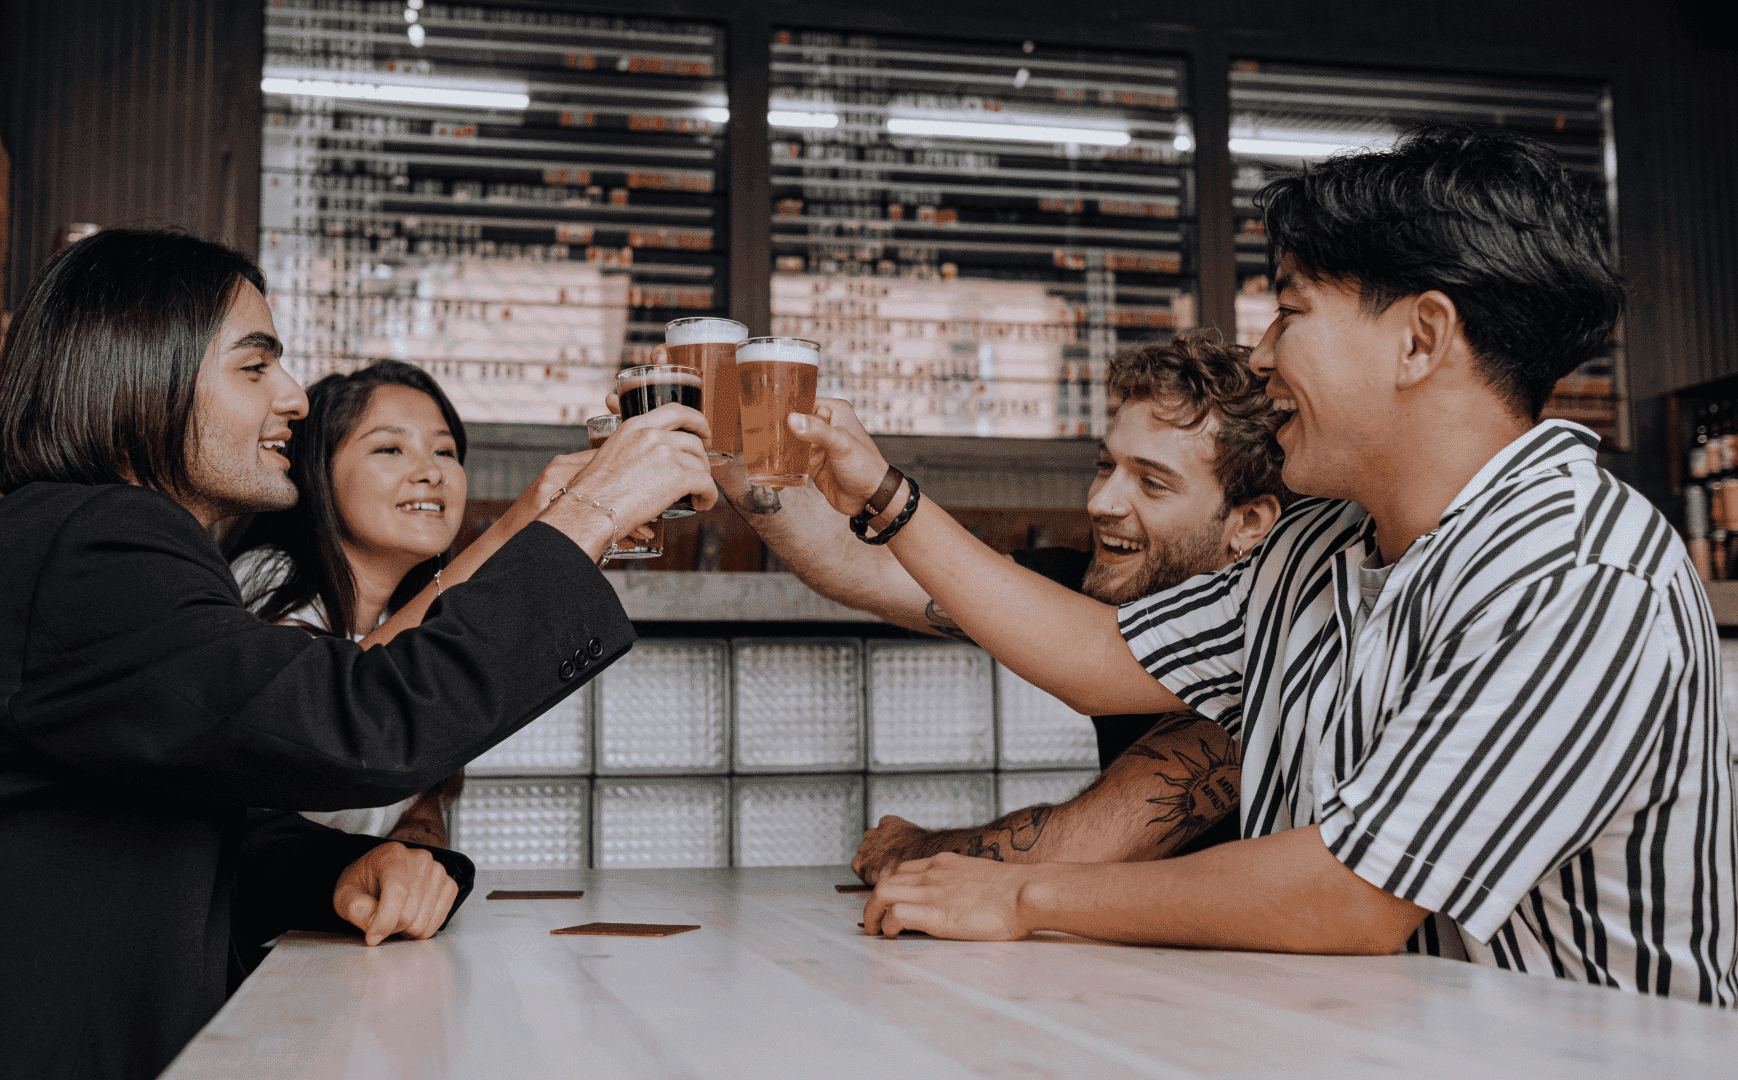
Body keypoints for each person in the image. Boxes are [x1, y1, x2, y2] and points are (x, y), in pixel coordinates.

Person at [795, 125, 1734, 1004]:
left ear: (1421, 337)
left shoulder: (1577, 572)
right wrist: (882, 491)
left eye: (1290, 310)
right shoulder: (1322, 541)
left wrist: (1023, 897)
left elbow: (1354, 895)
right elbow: (1095, 657)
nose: (1261, 351)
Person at [0, 228, 716, 1079]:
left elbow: (184, 825)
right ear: (143, 376)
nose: (293, 396)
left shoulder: (77, 540)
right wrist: (592, 517)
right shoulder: (96, 539)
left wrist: (342, 870)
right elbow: (357, 726)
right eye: (256, 365)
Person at [719, 334, 1292, 874]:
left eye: (1152, 482)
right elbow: (858, 565)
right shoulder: (1098, 584)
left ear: (1248, 522)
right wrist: (723, 455)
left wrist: (915, 850)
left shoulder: (1262, 630)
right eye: (1104, 466)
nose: (1101, 502)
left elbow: (1086, 845)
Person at [225, 359, 602, 849]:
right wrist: (515, 530)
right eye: (389, 448)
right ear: (317, 473)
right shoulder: (268, 577)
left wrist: (415, 845)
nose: (430, 472)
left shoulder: (409, 609)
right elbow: (327, 715)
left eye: (445, 451)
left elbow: (423, 785)